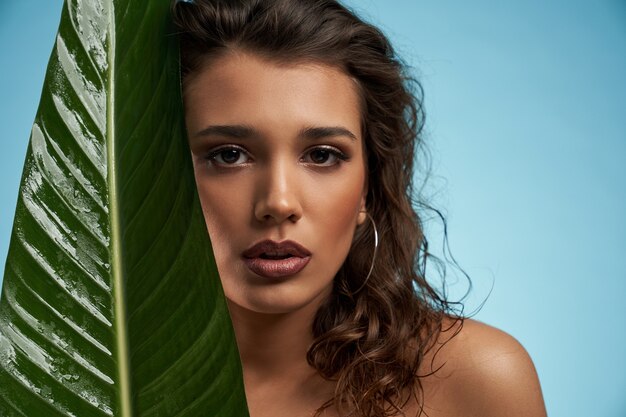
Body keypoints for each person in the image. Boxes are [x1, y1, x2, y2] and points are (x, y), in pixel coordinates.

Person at [172, 0, 547, 416]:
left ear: (368, 187)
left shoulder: (476, 378)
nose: (278, 203)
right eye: (229, 156)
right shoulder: (103, 376)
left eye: (322, 156)